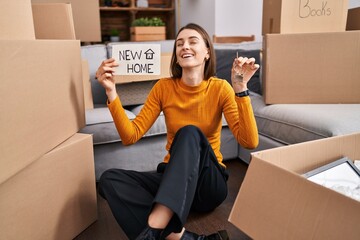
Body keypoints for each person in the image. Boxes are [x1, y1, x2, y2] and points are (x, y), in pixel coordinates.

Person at [95, 23, 259, 240]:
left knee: (189, 132)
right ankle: (181, 237)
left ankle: (155, 227)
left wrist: (241, 89)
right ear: (176, 55)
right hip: (173, 178)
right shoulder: (164, 87)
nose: (185, 47)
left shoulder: (221, 88)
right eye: (179, 43)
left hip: (208, 184)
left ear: (207, 52)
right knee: (109, 179)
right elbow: (130, 135)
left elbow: (249, 142)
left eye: (192, 41)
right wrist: (111, 92)